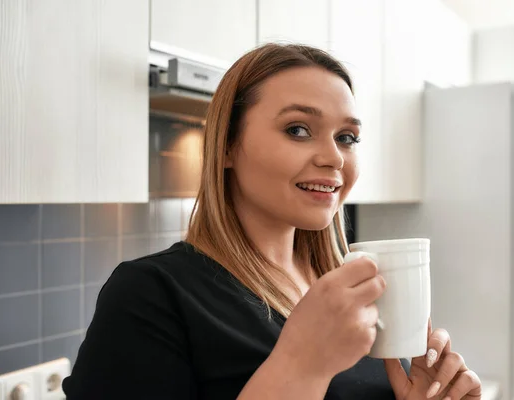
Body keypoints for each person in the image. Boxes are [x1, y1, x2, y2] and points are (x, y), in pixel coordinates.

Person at [63, 43, 482, 400]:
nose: (334, 157)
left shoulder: (349, 291)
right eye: (298, 129)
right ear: (226, 147)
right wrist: (301, 365)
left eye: (347, 137)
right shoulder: (151, 294)